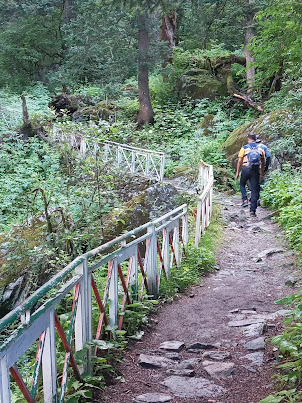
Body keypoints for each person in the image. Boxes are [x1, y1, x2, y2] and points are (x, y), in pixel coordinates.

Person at [236, 134, 265, 217]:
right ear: (255, 139)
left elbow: (239, 161)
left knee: (242, 184)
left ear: (249, 139)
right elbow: (263, 162)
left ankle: (245, 200)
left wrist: (238, 172)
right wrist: (262, 173)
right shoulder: (261, 148)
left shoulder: (245, 148)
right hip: (256, 170)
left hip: (246, 169)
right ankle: (252, 211)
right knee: (254, 190)